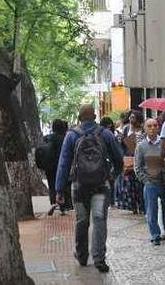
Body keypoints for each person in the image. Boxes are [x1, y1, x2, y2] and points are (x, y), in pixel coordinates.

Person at [55, 104, 124, 273]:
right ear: (95, 117)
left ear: (79, 118)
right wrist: (113, 176)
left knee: (81, 221)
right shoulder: (106, 134)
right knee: (99, 220)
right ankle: (99, 258)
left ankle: (82, 255)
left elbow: (63, 164)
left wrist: (58, 189)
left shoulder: (72, 135)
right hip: (101, 185)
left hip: (78, 186)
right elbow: (119, 158)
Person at [135, 118, 165, 245]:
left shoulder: (164, 143)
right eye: (149, 126)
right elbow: (137, 167)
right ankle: (155, 235)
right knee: (151, 210)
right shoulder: (141, 146)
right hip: (150, 182)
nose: (152, 128)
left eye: (155, 125)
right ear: (144, 128)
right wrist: (146, 180)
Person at [117, 110, 146, 214]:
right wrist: (121, 139)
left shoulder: (143, 130)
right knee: (129, 184)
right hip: (128, 158)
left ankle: (142, 206)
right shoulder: (126, 129)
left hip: (140, 159)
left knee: (139, 183)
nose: (131, 119)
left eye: (133, 117)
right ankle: (133, 206)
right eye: (130, 117)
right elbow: (121, 145)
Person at [44, 119, 70, 216]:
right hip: (60, 165)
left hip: (48, 166)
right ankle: (63, 206)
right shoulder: (64, 138)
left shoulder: (46, 138)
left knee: (51, 185)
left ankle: (53, 202)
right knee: (62, 184)